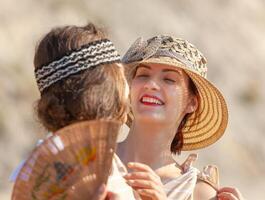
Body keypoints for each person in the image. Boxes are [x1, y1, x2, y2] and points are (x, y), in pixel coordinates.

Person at [11, 23, 136, 200]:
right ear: (106, 92)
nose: (128, 86)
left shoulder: (40, 168)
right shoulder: (89, 176)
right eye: (122, 76)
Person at [118, 35, 244, 200]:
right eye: (143, 75)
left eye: (169, 79)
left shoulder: (198, 192)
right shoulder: (90, 157)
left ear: (191, 102)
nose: (151, 84)